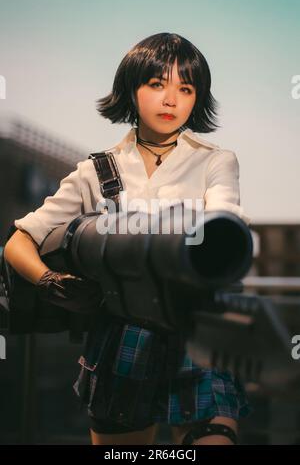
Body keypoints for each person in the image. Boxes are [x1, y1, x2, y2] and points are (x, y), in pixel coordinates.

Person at [4, 32, 252, 445]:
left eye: (185, 88)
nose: (171, 100)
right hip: (122, 336)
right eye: (157, 84)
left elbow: (225, 219)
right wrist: (49, 281)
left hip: (198, 329)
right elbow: (19, 240)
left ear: (197, 98)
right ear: (131, 89)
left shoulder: (215, 161)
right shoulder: (96, 170)